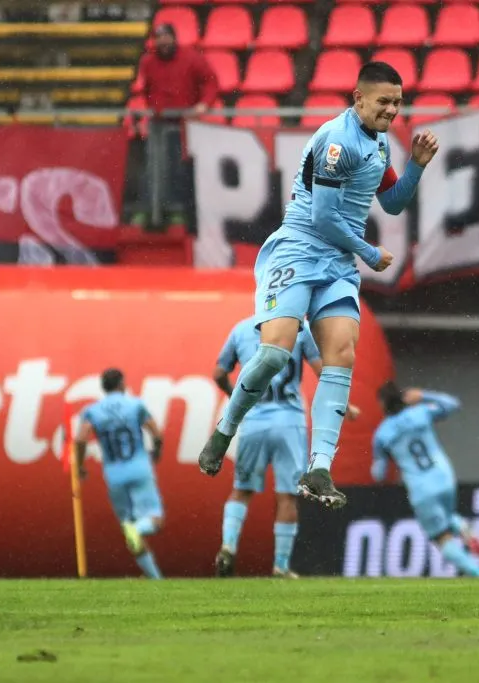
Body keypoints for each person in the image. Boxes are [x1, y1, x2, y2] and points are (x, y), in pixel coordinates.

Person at [197, 61, 439, 510]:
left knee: (342, 354)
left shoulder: (378, 142)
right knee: (273, 354)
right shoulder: (337, 142)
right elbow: (323, 217)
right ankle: (225, 430)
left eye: (398, 103)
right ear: (358, 98)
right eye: (384, 102)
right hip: (298, 250)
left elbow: (393, 203)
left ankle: (319, 468)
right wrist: (368, 253)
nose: (391, 110)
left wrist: (418, 168)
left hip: (337, 262)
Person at [212, 315, 359, 578]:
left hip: (254, 420)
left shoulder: (241, 329)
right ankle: (280, 565)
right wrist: (345, 407)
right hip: (290, 422)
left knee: (241, 490)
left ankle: (228, 546)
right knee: (288, 496)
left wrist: (236, 397)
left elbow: (219, 373)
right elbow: (323, 372)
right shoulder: (299, 329)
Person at [371, 383, 479, 577]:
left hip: (421, 488)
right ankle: (465, 529)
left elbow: (379, 475)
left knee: (441, 536)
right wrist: (423, 395)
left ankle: (478, 574)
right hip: (444, 477)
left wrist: (383, 459)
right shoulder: (421, 412)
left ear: (382, 404)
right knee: (448, 518)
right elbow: (453, 404)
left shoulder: (382, 434)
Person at [75, 369, 166, 579]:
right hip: (139, 467)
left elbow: (81, 439)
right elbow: (157, 433)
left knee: (128, 528)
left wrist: (80, 466)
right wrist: (157, 451)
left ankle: (155, 580)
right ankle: (140, 531)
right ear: (122, 384)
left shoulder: (92, 411)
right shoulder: (135, 405)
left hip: (114, 474)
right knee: (154, 520)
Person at [134, 23, 217, 229]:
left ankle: (181, 212)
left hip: (185, 124)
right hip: (159, 124)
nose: (163, 42)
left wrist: (203, 104)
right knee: (155, 167)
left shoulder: (191, 58)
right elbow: (147, 90)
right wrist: (153, 107)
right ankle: (154, 211)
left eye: (166, 37)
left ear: (174, 38)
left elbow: (210, 81)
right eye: (159, 38)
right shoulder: (148, 62)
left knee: (181, 168)